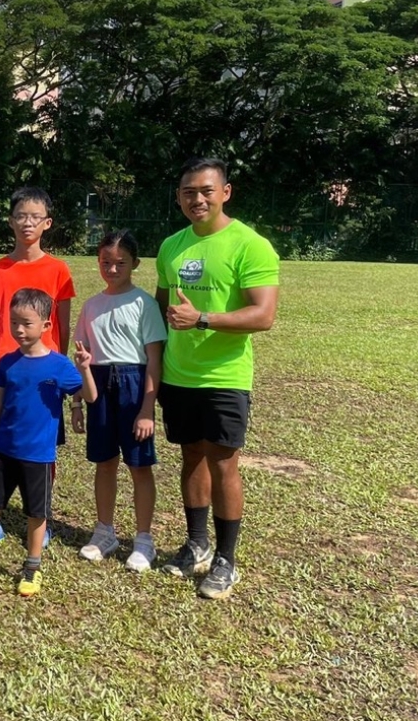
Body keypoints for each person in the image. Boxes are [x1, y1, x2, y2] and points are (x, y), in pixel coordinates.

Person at [155, 157, 280, 600]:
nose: (198, 199)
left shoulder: (250, 244)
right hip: (178, 373)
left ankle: (226, 559)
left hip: (225, 376)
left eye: (207, 190)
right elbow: (161, 305)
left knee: (223, 461)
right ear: (179, 197)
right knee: (191, 456)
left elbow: (263, 315)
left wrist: (203, 318)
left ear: (225, 192)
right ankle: (197, 543)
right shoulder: (172, 246)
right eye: (189, 192)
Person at [0, 290, 97, 597]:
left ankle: (32, 566)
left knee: (37, 513)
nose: (19, 330)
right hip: (3, 450)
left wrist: (85, 368)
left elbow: (90, 396)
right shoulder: (7, 363)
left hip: (38, 455)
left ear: (47, 326)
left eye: (26, 323)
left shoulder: (60, 366)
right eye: (13, 322)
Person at [0, 185, 76, 547]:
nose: (27, 223)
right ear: (10, 220)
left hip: (45, 373)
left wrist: (59, 367)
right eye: (21, 216)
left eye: (35, 217)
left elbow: (63, 326)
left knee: (43, 447)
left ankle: (40, 514)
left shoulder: (58, 270)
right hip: (5, 368)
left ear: (47, 223)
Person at [72, 231, 167, 572]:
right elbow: (82, 360)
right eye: (105, 263)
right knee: (105, 461)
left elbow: (154, 360)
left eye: (120, 263)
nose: (112, 269)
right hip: (99, 385)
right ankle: (104, 531)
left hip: (133, 384)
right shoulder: (91, 306)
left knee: (139, 465)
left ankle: (143, 539)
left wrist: (146, 409)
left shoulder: (145, 304)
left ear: (135, 264)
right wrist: (78, 404)